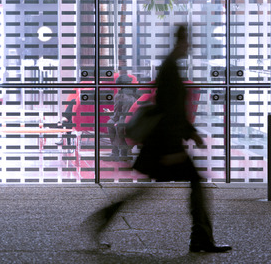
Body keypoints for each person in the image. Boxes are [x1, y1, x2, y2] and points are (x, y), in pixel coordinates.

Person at [85, 25, 231, 253]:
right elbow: (170, 111)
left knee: (150, 189)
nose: (190, 46)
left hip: (163, 143)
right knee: (193, 183)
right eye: (188, 41)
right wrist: (176, 146)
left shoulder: (170, 66)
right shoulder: (170, 69)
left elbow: (172, 110)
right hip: (165, 146)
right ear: (181, 42)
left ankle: (103, 218)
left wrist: (190, 133)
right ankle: (200, 238)